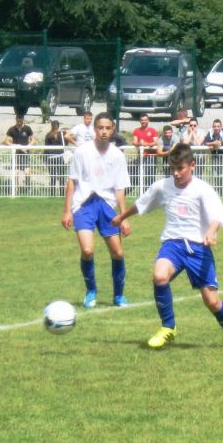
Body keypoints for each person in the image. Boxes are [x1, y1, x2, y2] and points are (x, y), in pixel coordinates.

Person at [111, 143, 223, 350]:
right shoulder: (163, 186)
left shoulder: (202, 189)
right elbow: (142, 203)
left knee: (211, 301)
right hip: (173, 244)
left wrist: (211, 232)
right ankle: (168, 327)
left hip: (198, 248)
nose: (176, 173)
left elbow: (216, 215)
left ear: (192, 166)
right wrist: (121, 216)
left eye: (180, 168)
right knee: (159, 275)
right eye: (172, 168)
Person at [61, 112, 132, 308]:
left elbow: (120, 189)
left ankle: (119, 296)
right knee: (87, 249)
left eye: (108, 128)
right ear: (94, 129)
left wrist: (124, 216)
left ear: (113, 130)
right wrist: (67, 211)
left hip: (106, 205)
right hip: (83, 204)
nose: (104, 131)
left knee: (117, 253)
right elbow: (72, 181)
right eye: (100, 128)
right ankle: (91, 291)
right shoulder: (82, 151)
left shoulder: (117, 155)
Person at [4, 112, 35, 192]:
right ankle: (16, 189)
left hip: (25, 154)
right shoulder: (12, 129)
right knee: (15, 173)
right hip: (16, 154)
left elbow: (33, 140)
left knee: (27, 172)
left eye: (20, 121)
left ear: (23, 120)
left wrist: (27, 146)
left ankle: (28, 188)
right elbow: (6, 141)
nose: (19, 123)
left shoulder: (27, 128)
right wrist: (15, 146)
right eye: (18, 121)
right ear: (16, 120)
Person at [204, 119, 223, 196]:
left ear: (221, 127)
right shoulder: (210, 132)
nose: (216, 128)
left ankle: (221, 190)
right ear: (212, 127)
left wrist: (213, 144)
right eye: (214, 126)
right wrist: (214, 143)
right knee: (215, 174)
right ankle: (218, 191)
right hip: (215, 157)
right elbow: (205, 142)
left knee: (222, 175)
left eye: (218, 126)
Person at [133, 113, 159, 191]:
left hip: (151, 157)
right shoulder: (136, 130)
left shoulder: (152, 130)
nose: (143, 121)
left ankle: (150, 193)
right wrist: (139, 143)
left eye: (145, 120)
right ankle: (140, 193)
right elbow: (134, 142)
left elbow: (156, 142)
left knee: (150, 176)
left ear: (148, 120)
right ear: (140, 121)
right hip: (141, 156)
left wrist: (146, 144)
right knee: (139, 175)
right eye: (142, 120)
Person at [44, 120, 67, 196]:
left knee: (54, 177)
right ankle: (61, 194)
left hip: (52, 157)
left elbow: (46, 148)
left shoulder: (49, 135)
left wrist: (45, 159)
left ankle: (53, 194)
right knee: (60, 176)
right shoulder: (62, 134)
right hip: (59, 157)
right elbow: (65, 144)